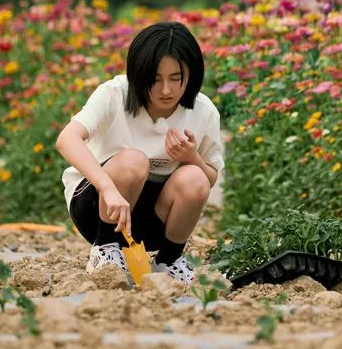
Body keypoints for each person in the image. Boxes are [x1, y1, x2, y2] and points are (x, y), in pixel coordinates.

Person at [56, 21, 225, 284]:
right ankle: (105, 250)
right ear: (138, 74)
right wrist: (108, 188)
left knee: (195, 176)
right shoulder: (114, 94)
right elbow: (67, 139)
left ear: (192, 75)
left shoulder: (203, 111)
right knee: (133, 160)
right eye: (155, 80)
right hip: (98, 207)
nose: (166, 90)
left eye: (176, 78)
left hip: (153, 222)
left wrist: (192, 158)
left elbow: (210, 179)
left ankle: (168, 261)